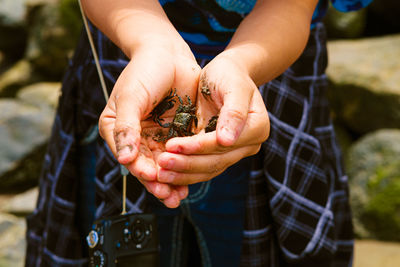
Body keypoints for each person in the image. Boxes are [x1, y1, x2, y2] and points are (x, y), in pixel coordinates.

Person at [25, 0, 373, 266]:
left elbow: (291, 8)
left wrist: (240, 64)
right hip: (127, 64)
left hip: (268, 76)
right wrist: (153, 44)